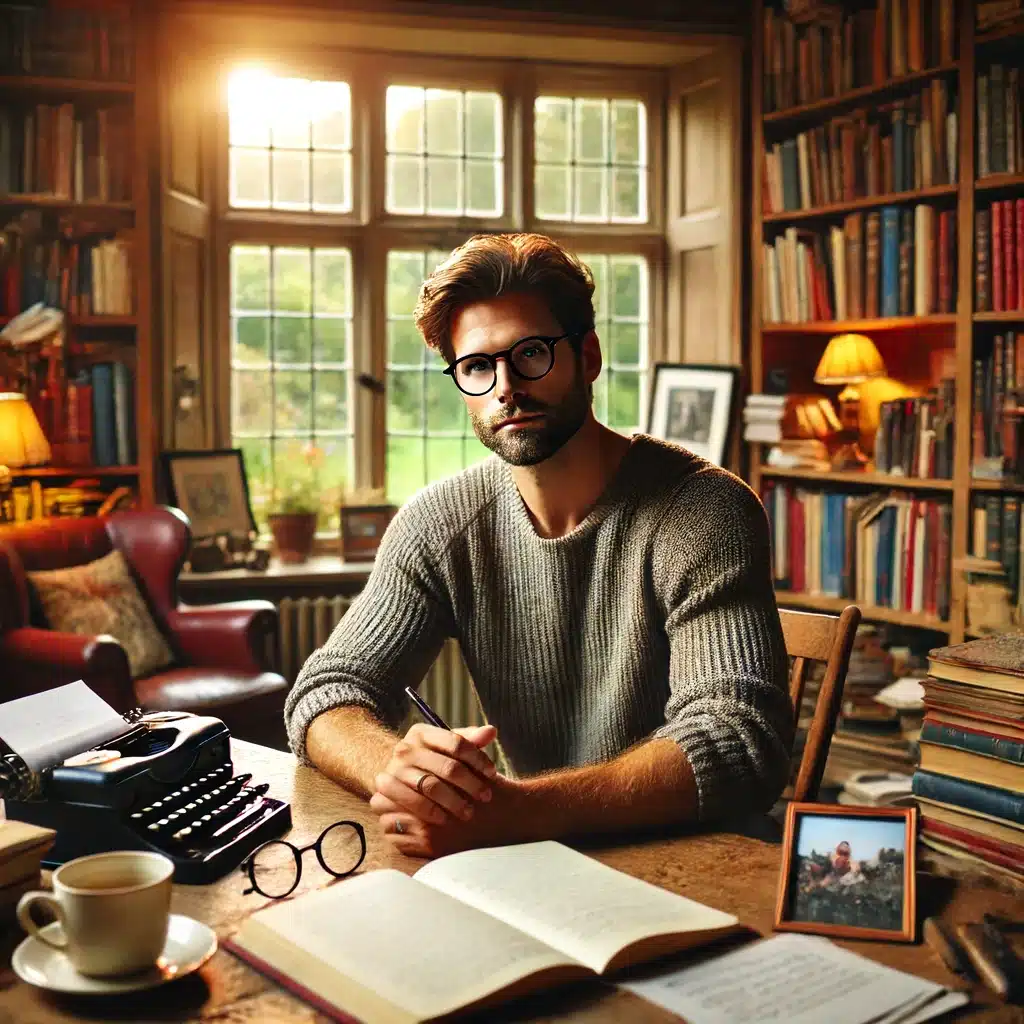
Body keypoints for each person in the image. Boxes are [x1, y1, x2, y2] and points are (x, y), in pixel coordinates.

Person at [284, 232, 793, 859]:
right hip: (534, 858)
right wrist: (399, 770)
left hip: (698, 861)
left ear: (589, 356)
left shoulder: (704, 510)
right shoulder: (442, 522)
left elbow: (740, 743)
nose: (506, 387)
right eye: (477, 367)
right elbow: (325, 692)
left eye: (531, 354)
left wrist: (517, 812)